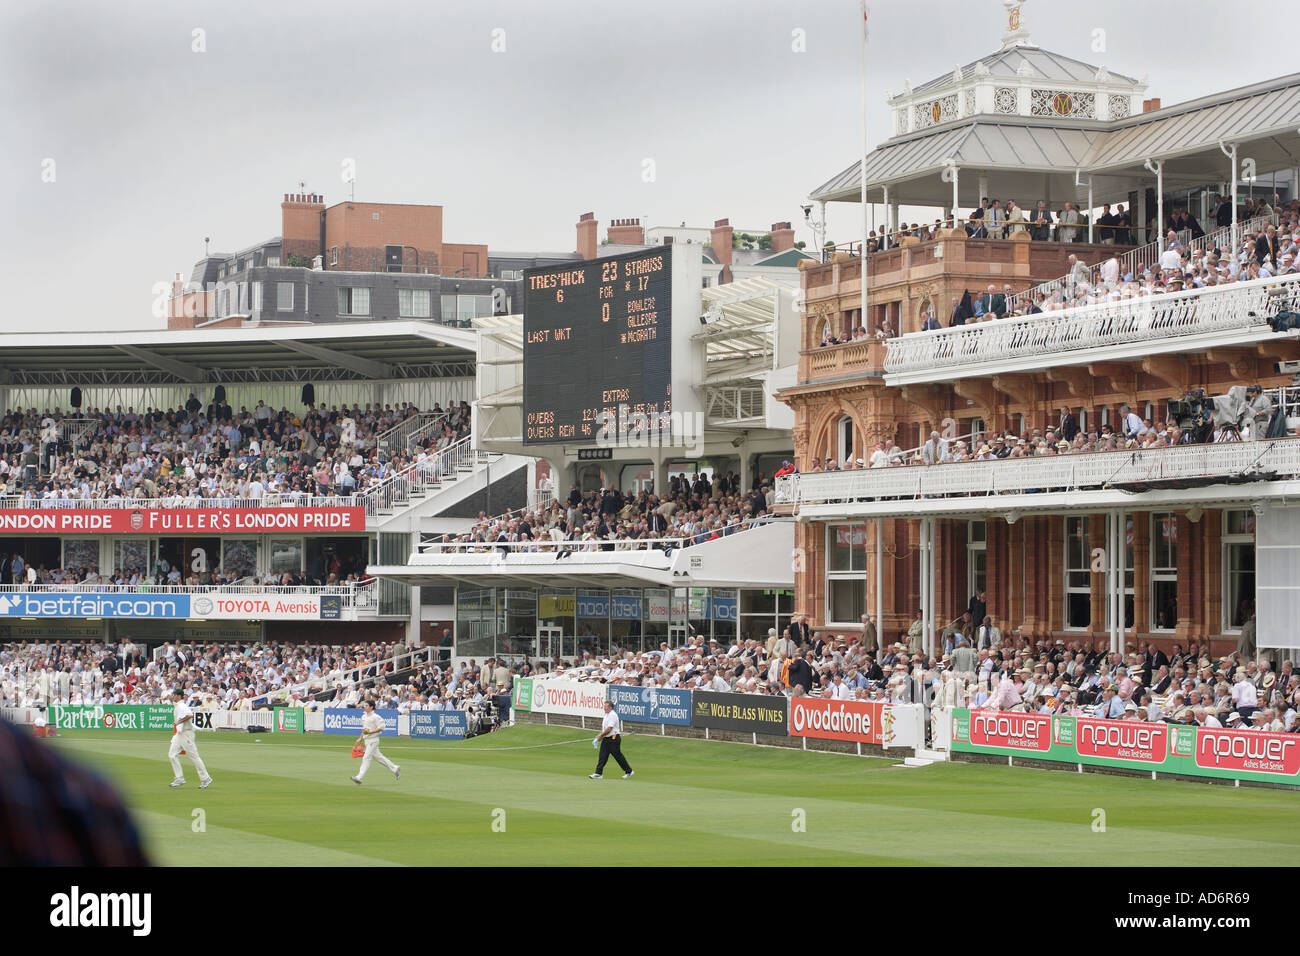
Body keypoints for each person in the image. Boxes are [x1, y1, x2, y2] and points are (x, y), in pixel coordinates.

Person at [168, 687, 213, 789]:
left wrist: (178, 722)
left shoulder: (182, 706)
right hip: (180, 734)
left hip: (186, 734)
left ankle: (206, 778)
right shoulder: (178, 705)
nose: (173, 696)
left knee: (194, 757)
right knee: (172, 754)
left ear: (179, 696)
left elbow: (189, 715)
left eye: (174, 695)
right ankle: (179, 778)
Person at [351, 697, 400, 784]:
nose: (364, 707)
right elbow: (364, 729)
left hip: (373, 740)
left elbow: (381, 728)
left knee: (366, 758)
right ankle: (394, 768)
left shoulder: (376, 717)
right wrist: (360, 737)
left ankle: (359, 777)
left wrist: (370, 732)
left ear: (371, 707)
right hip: (367, 740)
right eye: (364, 705)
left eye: (366, 705)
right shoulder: (363, 716)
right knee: (379, 757)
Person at [590, 699, 633, 779]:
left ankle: (629, 771)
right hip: (607, 739)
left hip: (613, 739)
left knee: (618, 756)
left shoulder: (612, 715)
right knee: (602, 756)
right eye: (604, 707)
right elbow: (605, 728)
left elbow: (609, 729)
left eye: (605, 707)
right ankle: (598, 773)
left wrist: (601, 736)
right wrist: (599, 736)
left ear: (610, 707)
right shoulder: (606, 714)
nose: (604, 708)